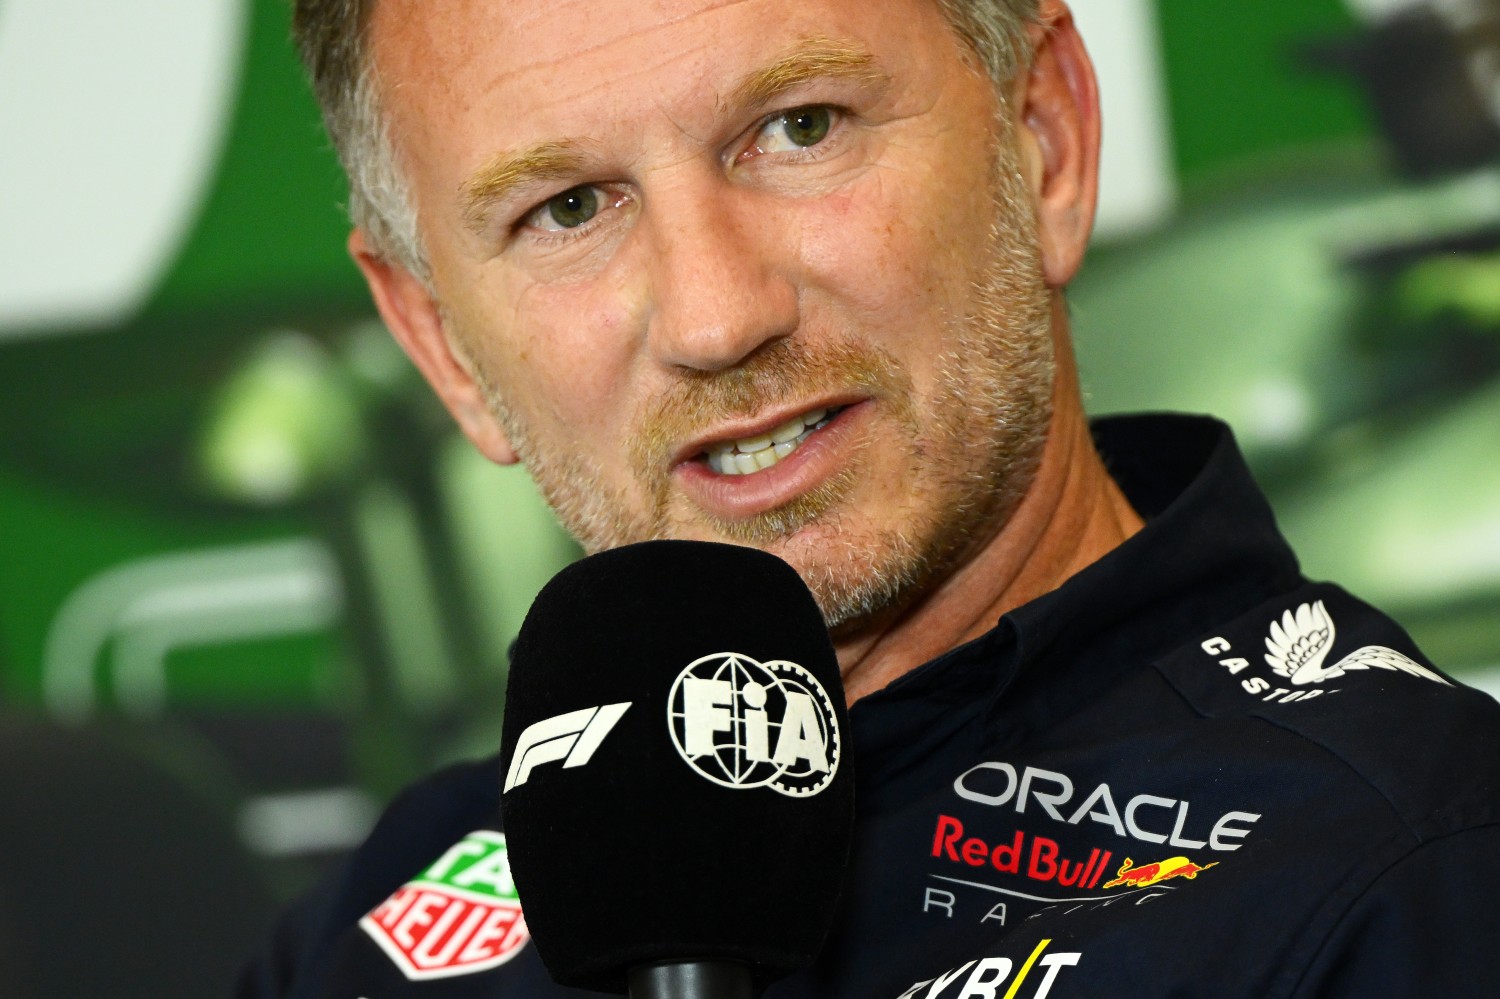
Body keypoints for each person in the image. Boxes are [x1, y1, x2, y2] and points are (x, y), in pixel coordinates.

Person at [242, 0, 1500, 995]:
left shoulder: (1416, 883)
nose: (716, 315)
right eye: (568, 208)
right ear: (442, 343)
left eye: (800, 128)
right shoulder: (371, 937)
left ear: (1041, 138)